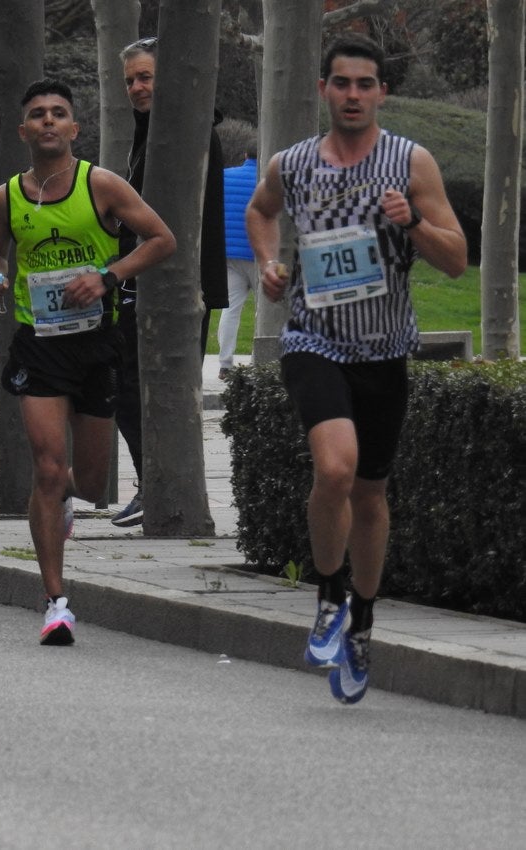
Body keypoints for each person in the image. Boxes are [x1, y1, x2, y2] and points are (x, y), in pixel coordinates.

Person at [245, 33, 466, 704]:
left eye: (363, 84)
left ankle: (361, 622)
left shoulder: (409, 162)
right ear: (322, 90)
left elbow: (456, 257)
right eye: (339, 83)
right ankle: (328, 593)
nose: (350, 95)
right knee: (333, 469)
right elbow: (260, 211)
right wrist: (269, 265)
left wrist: (411, 226)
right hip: (314, 339)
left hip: (384, 348)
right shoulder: (293, 162)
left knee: (369, 495)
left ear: (380, 92)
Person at [0, 79, 176, 645]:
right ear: (23, 131)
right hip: (39, 345)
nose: (47, 121)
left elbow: (161, 239)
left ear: (74, 128)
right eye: (37, 114)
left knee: (89, 483)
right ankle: (56, 600)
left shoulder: (102, 185)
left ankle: (65, 498)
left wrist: (108, 276)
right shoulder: (7, 196)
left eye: (58, 114)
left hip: (96, 344)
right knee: (45, 468)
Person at [110, 36, 229, 527]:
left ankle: (160, 488)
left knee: (150, 390)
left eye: (147, 77)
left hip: (177, 289)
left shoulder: (186, 135)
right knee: (123, 384)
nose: (138, 88)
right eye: (131, 81)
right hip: (140, 286)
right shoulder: (149, 134)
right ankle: (153, 484)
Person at [217, 144, 260, 380]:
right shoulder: (267, 179)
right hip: (257, 254)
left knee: (230, 309)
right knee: (264, 311)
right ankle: (261, 361)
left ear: (245, 156)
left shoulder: (224, 176)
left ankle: (225, 364)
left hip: (228, 252)